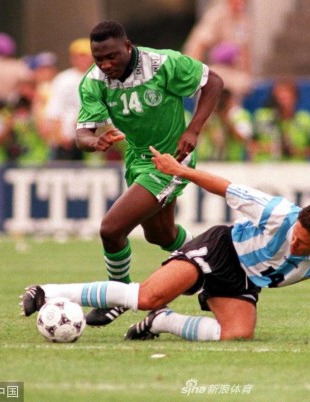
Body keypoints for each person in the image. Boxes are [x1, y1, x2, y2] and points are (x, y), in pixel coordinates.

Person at [21, 146, 310, 344]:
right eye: (295, 234)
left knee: (237, 335)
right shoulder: (278, 213)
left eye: (302, 243)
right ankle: (47, 292)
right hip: (221, 249)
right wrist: (180, 170)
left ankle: (163, 324)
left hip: (244, 280)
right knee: (148, 294)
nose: (294, 242)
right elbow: (225, 186)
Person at [74, 21, 223, 326]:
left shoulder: (163, 63)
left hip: (171, 160)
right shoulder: (94, 81)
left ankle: (117, 296)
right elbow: (82, 134)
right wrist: (94, 142)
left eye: (112, 56)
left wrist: (193, 131)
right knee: (160, 235)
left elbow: (214, 82)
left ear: (128, 46)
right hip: (137, 160)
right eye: (99, 59)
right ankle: (217, 271)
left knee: (111, 229)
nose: (106, 65)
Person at [183, 0, 252, 100]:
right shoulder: (217, 16)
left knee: (244, 84)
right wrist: (194, 75)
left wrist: (248, 73)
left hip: (235, 72)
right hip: (215, 69)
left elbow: (244, 49)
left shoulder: (243, 20)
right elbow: (199, 45)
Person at [44, 39, 94, 162]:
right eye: (80, 56)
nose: (83, 60)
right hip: (67, 140)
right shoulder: (63, 79)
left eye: (86, 56)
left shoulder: (99, 79)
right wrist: (59, 136)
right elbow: (54, 110)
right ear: (73, 58)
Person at [252, 78, 310, 162]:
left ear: (295, 97)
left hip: (296, 166)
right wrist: (273, 148)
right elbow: (251, 144)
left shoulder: (305, 119)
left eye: (287, 97)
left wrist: (294, 151)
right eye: (279, 97)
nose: (282, 101)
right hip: (267, 165)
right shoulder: (262, 117)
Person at [195, 88, 254, 162]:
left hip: (232, 160)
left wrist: (225, 120)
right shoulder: (211, 115)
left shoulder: (239, 115)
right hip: (208, 158)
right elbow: (196, 133)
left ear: (229, 100)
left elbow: (243, 138)